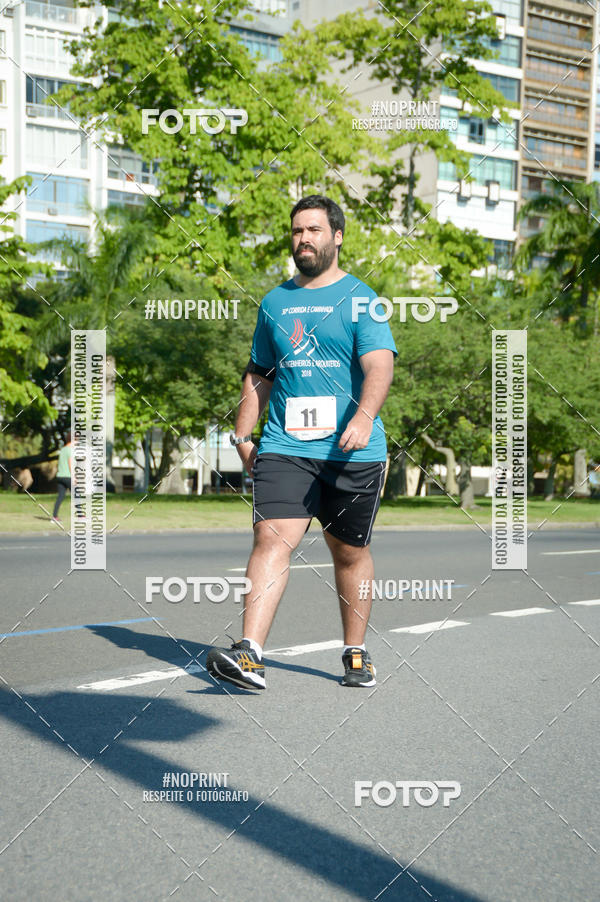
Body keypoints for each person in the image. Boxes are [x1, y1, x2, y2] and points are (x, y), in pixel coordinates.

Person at [206, 195, 397, 691]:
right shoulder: (274, 302)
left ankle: (355, 652)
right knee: (270, 538)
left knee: (349, 552)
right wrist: (243, 435)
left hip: (352, 451)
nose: (303, 239)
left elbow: (380, 365)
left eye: (313, 230)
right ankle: (250, 654)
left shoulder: (361, 298)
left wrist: (364, 415)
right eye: (296, 231)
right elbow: (259, 372)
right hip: (287, 446)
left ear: (337, 236)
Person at [52, 431, 72, 522]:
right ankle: (81, 516)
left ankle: (54, 517)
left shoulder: (63, 450)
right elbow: (71, 464)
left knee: (60, 496)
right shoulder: (70, 450)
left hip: (60, 476)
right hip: (68, 476)